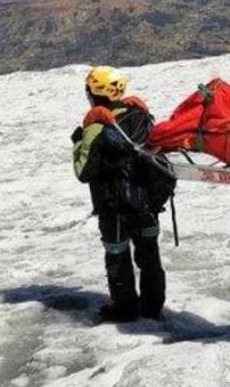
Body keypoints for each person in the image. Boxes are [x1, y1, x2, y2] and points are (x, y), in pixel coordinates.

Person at [71, 65, 170, 322]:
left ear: (94, 93)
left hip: (114, 206)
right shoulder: (142, 115)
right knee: (149, 255)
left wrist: (78, 143)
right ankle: (153, 307)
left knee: (117, 256)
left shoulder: (95, 127)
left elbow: (84, 172)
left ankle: (125, 310)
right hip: (147, 204)